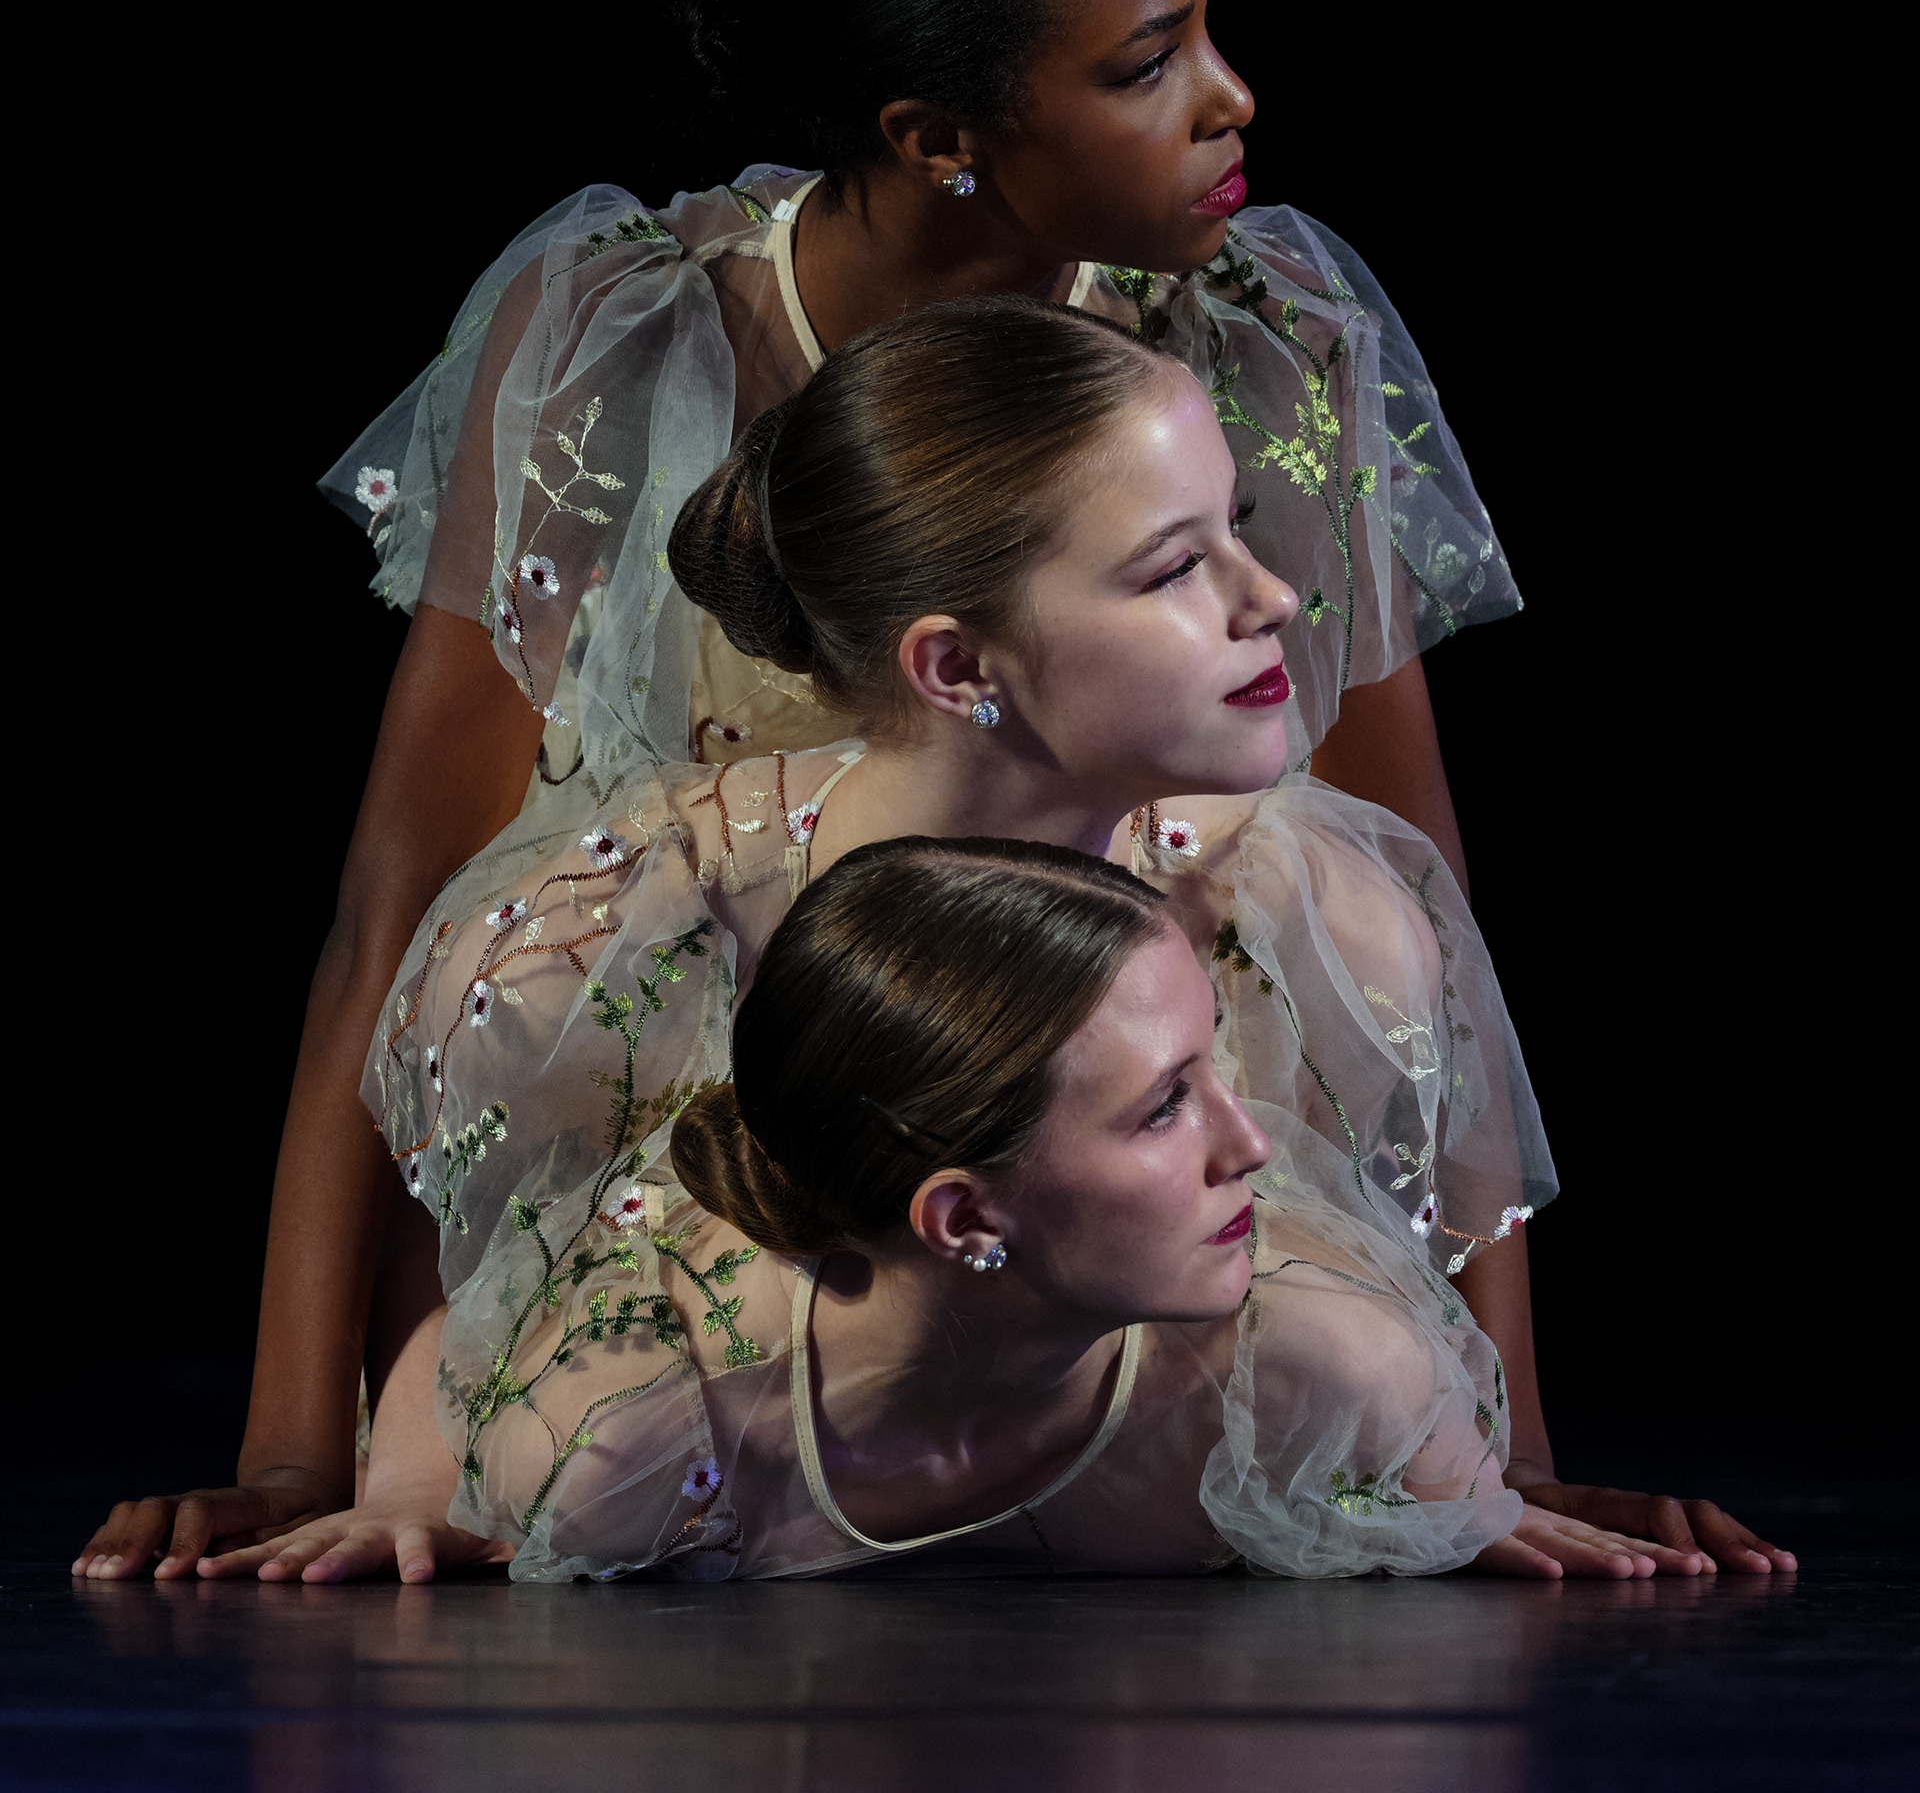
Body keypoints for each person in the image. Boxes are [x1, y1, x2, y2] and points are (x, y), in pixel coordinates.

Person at [78, 298, 1788, 1579]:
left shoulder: (1319, 918)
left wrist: (1481, 1481)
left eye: (1245, 538)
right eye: (1176, 566)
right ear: (957, 665)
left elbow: (1386, 1270)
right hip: (710, 1491)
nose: (1274, 600)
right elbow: (507, 1282)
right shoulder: (615, 934)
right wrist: (396, 1491)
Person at [204, 840, 1683, 1584]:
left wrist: (1460, 1508)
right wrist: (412, 1499)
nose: (1254, 1147)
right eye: (1166, 1107)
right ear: (967, 1219)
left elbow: (1438, 1477)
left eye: (1216, 1077)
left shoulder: (1335, 1374)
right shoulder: (630, 1428)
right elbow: (481, 1347)